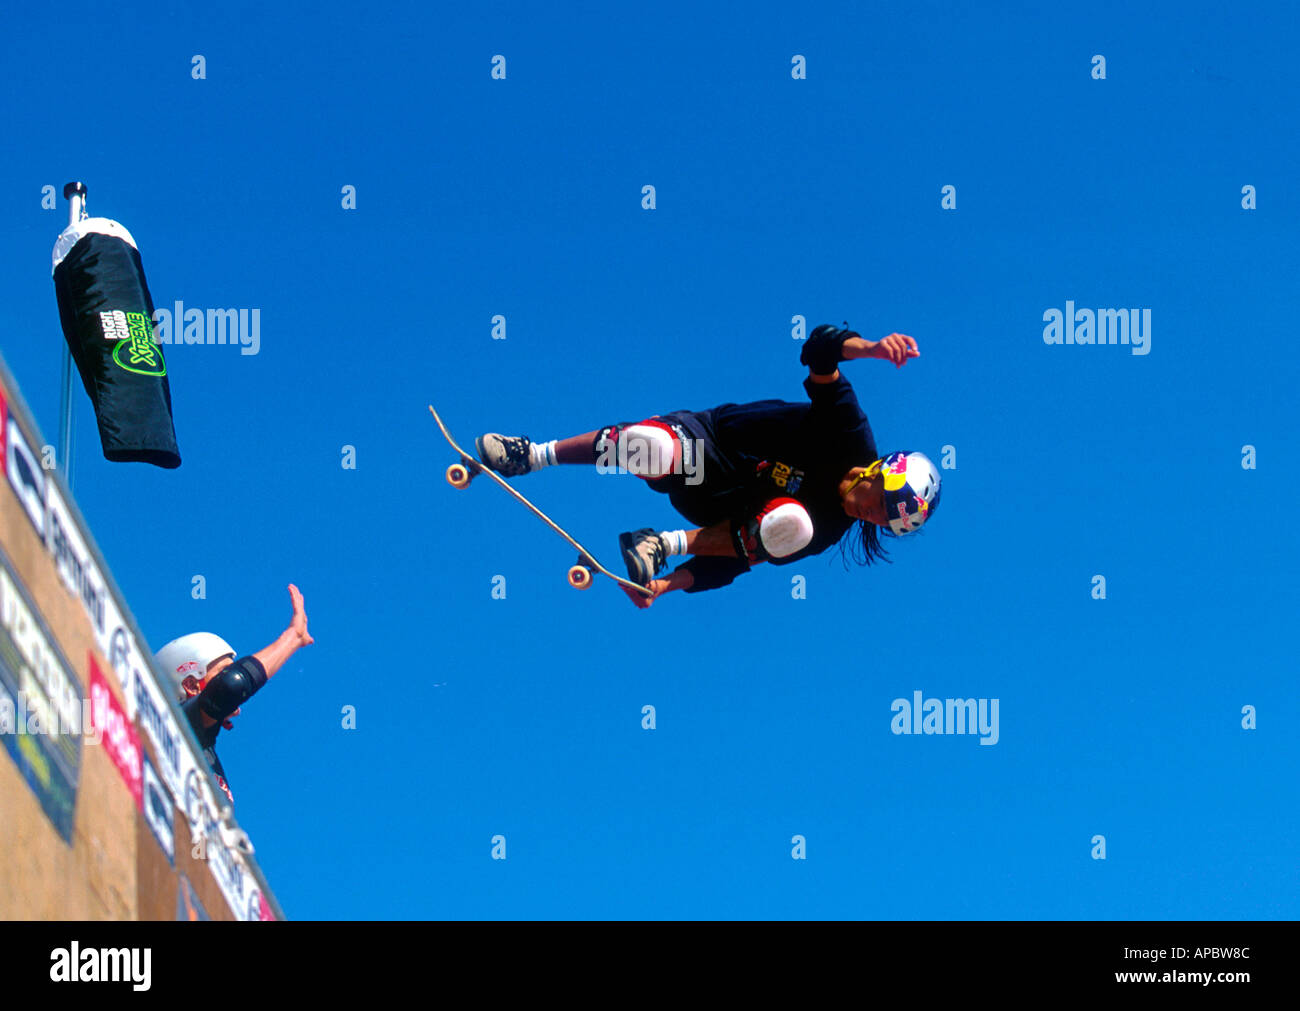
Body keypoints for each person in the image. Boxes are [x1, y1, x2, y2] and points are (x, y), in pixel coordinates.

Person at [473, 324, 941, 607]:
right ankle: (531, 456)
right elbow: (818, 349)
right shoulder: (848, 431)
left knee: (794, 527)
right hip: (710, 446)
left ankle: (659, 544)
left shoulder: (828, 528)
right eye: (882, 504)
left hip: (720, 510)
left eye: (886, 523)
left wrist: (664, 585)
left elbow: (738, 562)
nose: (873, 517)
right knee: (650, 447)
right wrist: (873, 348)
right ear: (881, 472)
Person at [153, 584, 312, 803]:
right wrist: (293, 637)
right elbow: (230, 686)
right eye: (222, 671)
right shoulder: (175, 723)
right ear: (191, 684)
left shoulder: (205, 748)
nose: (231, 674)